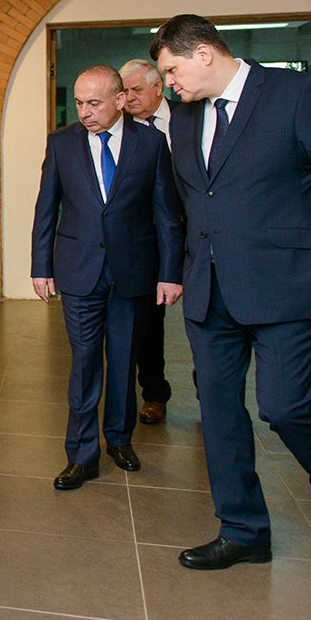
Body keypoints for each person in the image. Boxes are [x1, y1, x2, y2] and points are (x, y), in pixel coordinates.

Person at [150, 14, 311, 570]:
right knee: (220, 413)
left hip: (285, 286)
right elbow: (192, 198)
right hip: (209, 289)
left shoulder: (297, 95)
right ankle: (243, 529)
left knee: (285, 405)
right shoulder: (184, 115)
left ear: (203, 53)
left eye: (171, 70)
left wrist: (302, 246)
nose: (168, 83)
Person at [31, 66, 184, 490]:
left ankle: (119, 438)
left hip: (133, 272)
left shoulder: (150, 144)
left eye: (94, 103)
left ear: (119, 101)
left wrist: (170, 273)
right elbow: (46, 208)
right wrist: (41, 266)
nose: (84, 112)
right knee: (84, 364)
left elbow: (166, 215)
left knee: (123, 360)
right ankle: (81, 455)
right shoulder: (62, 144)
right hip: (79, 270)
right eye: (79, 103)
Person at [120, 58, 181, 424]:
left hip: (194, 233)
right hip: (147, 239)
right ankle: (154, 394)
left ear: (159, 88)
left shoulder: (190, 119)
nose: (129, 98)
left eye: (136, 90)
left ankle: (213, 393)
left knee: (207, 320)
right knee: (148, 324)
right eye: (124, 91)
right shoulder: (122, 130)